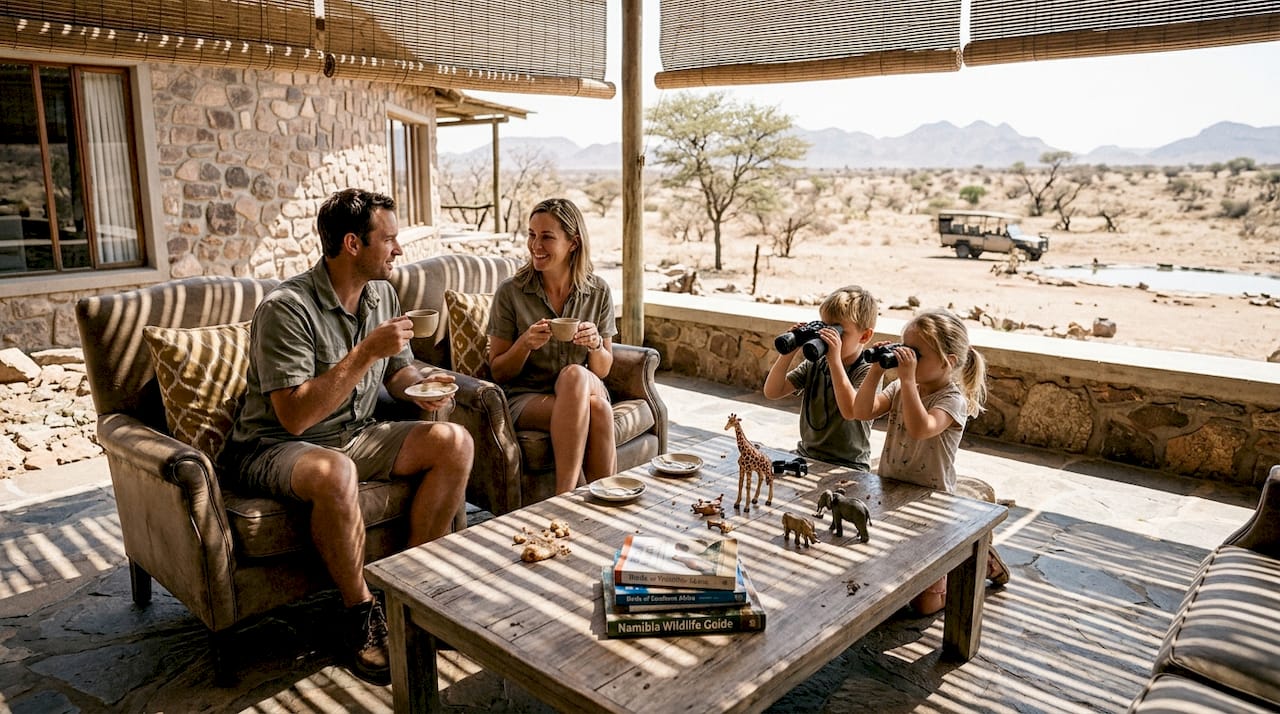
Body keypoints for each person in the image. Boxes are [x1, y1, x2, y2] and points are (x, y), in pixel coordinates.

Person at [220, 188, 473, 685]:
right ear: (353, 244)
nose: (399, 250)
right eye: (390, 239)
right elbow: (295, 416)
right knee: (336, 470)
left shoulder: (382, 293)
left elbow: (398, 371)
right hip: (273, 445)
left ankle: (411, 593)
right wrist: (365, 353)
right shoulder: (286, 309)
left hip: (355, 433)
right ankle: (360, 616)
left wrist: (421, 390)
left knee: (454, 441)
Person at [848, 307, 1005, 615]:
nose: (907, 360)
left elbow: (922, 429)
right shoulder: (901, 387)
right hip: (893, 490)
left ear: (949, 362)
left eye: (916, 354)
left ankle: (975, 560)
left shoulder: (951, 399)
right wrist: (877, 372)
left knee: (924, 605)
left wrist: (906, 381)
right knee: (891, 568)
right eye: (904, 350)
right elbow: (861, 410)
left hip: (932, 499)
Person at [487, 197, 616, 495]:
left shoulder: (598, 291)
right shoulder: (511, 292)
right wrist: (524, 344)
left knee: (574, 375)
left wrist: (596, 344)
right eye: (532, 235)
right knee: (598, 410)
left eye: (547, 237)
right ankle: (599, 502)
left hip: (583, 385)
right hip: (528, 397)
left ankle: (564, 495)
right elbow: (499, 372)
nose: (535, 245)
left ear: (573, 243)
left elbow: (604, 369)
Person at [762, 285, 880, 471]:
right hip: (807, 454)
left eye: (838, 332)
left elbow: (851, 411)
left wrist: (835, 362)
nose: (828, 337)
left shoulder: (867, 371)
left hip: (849, 464)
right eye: (825, 327)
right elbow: (772, 391)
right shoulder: (816, 364)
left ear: (864, 336)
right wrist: (788, 353)